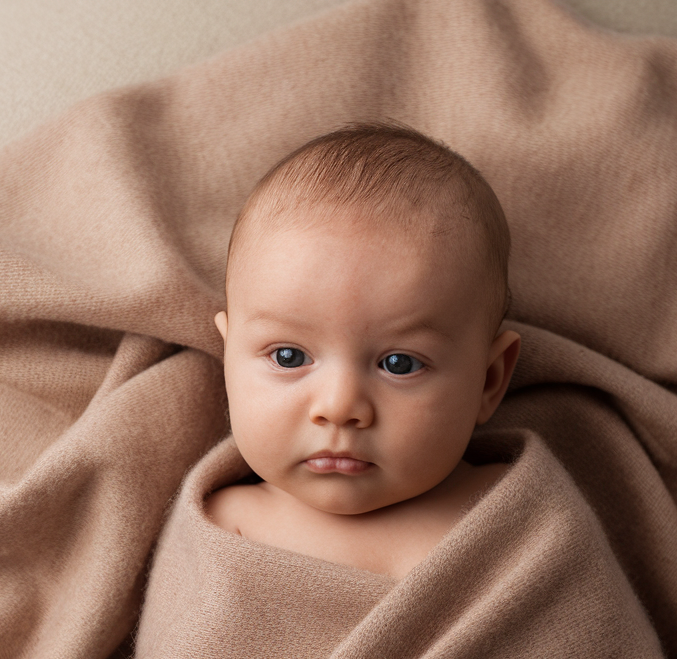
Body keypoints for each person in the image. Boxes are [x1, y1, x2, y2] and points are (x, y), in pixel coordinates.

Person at [205, 122, 522, 577]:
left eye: (399, 363)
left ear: (489, 381)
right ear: (228, 362)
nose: (340, 407)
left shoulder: (507, 514)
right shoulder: (224, 524)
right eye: (288, 357)